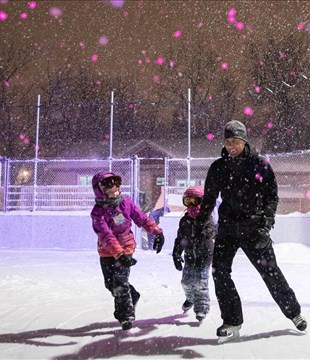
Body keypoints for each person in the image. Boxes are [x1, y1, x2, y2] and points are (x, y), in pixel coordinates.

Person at [196, 120, 307, 341]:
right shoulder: (218, 167)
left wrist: (266, 222)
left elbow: (271, 197)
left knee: (270, 273)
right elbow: (208, 199)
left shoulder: (260, 165)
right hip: (227, 228)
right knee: (220, 272)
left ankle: (294, 313)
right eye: (227, 142)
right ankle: (232, 320)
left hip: (254, 228)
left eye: (235, 141)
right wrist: (200, 223)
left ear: (244, 141)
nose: (231, 146)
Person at [90, 171, 165, 331]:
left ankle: (126, 316)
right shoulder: (98, 212)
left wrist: (157, 231)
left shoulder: (126, 203)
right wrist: (118, 253)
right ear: (99, 190)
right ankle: (133, 295)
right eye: (108, 187)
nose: (114, 189)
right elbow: (105, 234)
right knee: (110, 284)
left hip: (126, 246)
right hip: (107, 251)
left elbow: (141, 218)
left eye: (116, 185)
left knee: (119, 283)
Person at [172, 186, 215, 324]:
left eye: (195, 201)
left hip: (204, 257)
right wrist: (176, 254)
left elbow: (211, 231)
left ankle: (201, 308)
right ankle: (190, 298)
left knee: (200, 283)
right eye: (187, 201)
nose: (191, 205)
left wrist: (200, 235)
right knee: (186, 282)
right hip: (190, 257)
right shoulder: (184, 220)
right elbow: (179, 239)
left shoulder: (207, 217)